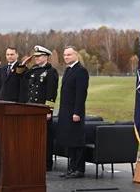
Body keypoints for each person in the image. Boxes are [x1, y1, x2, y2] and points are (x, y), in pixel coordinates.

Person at [17, 45, 59, 171]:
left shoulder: (51, 72)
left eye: (39, 56)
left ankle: (46, 163)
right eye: (35, 56)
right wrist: (23, 64)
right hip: (30, 108)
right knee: (31, 136)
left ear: (46, 57)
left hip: (42, 109)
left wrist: (49, 111)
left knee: (44, 138)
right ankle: (33, 160)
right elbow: (19, 75)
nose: (36, 58)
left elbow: (52, 93)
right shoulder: (33, 70)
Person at [57, 46, 89, 179]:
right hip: (66, 111)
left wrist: (77, 112)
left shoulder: (80, 71)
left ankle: (79, 169)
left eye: (69, 55)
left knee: (77, 140)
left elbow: (81, 94)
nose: (66, 57)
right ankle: (71, 168)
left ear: (76, 55)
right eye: (64, 55)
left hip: (75, 112)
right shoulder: (68, 70)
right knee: (69, 140)